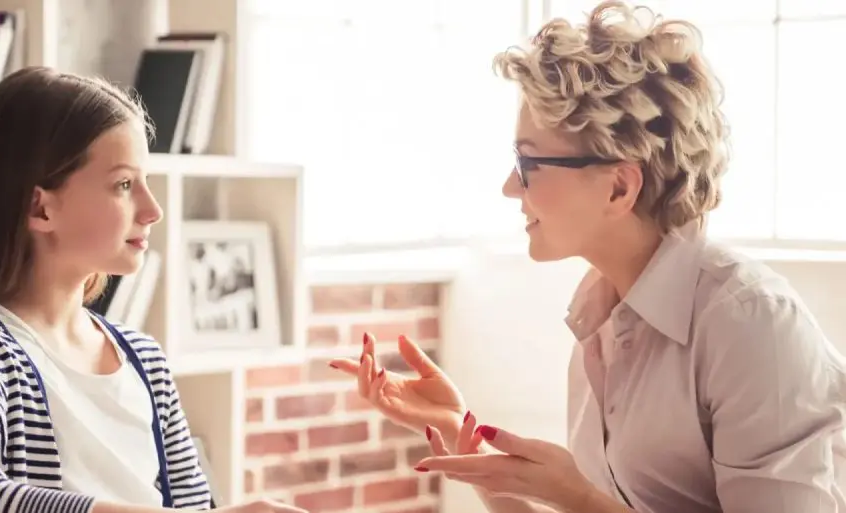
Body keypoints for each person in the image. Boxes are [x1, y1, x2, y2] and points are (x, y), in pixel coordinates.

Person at [329, 2, 846, 512]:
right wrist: (460, 433)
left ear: (619, 188)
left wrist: (575, 498)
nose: (511, 187)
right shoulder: (601, 317)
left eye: (529, 163)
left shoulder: (750, 323)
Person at [0, 67, 307, 513]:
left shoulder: (145, 361)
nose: (152, 210)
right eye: (123, 185)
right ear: (40, 207)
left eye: (146, 182)